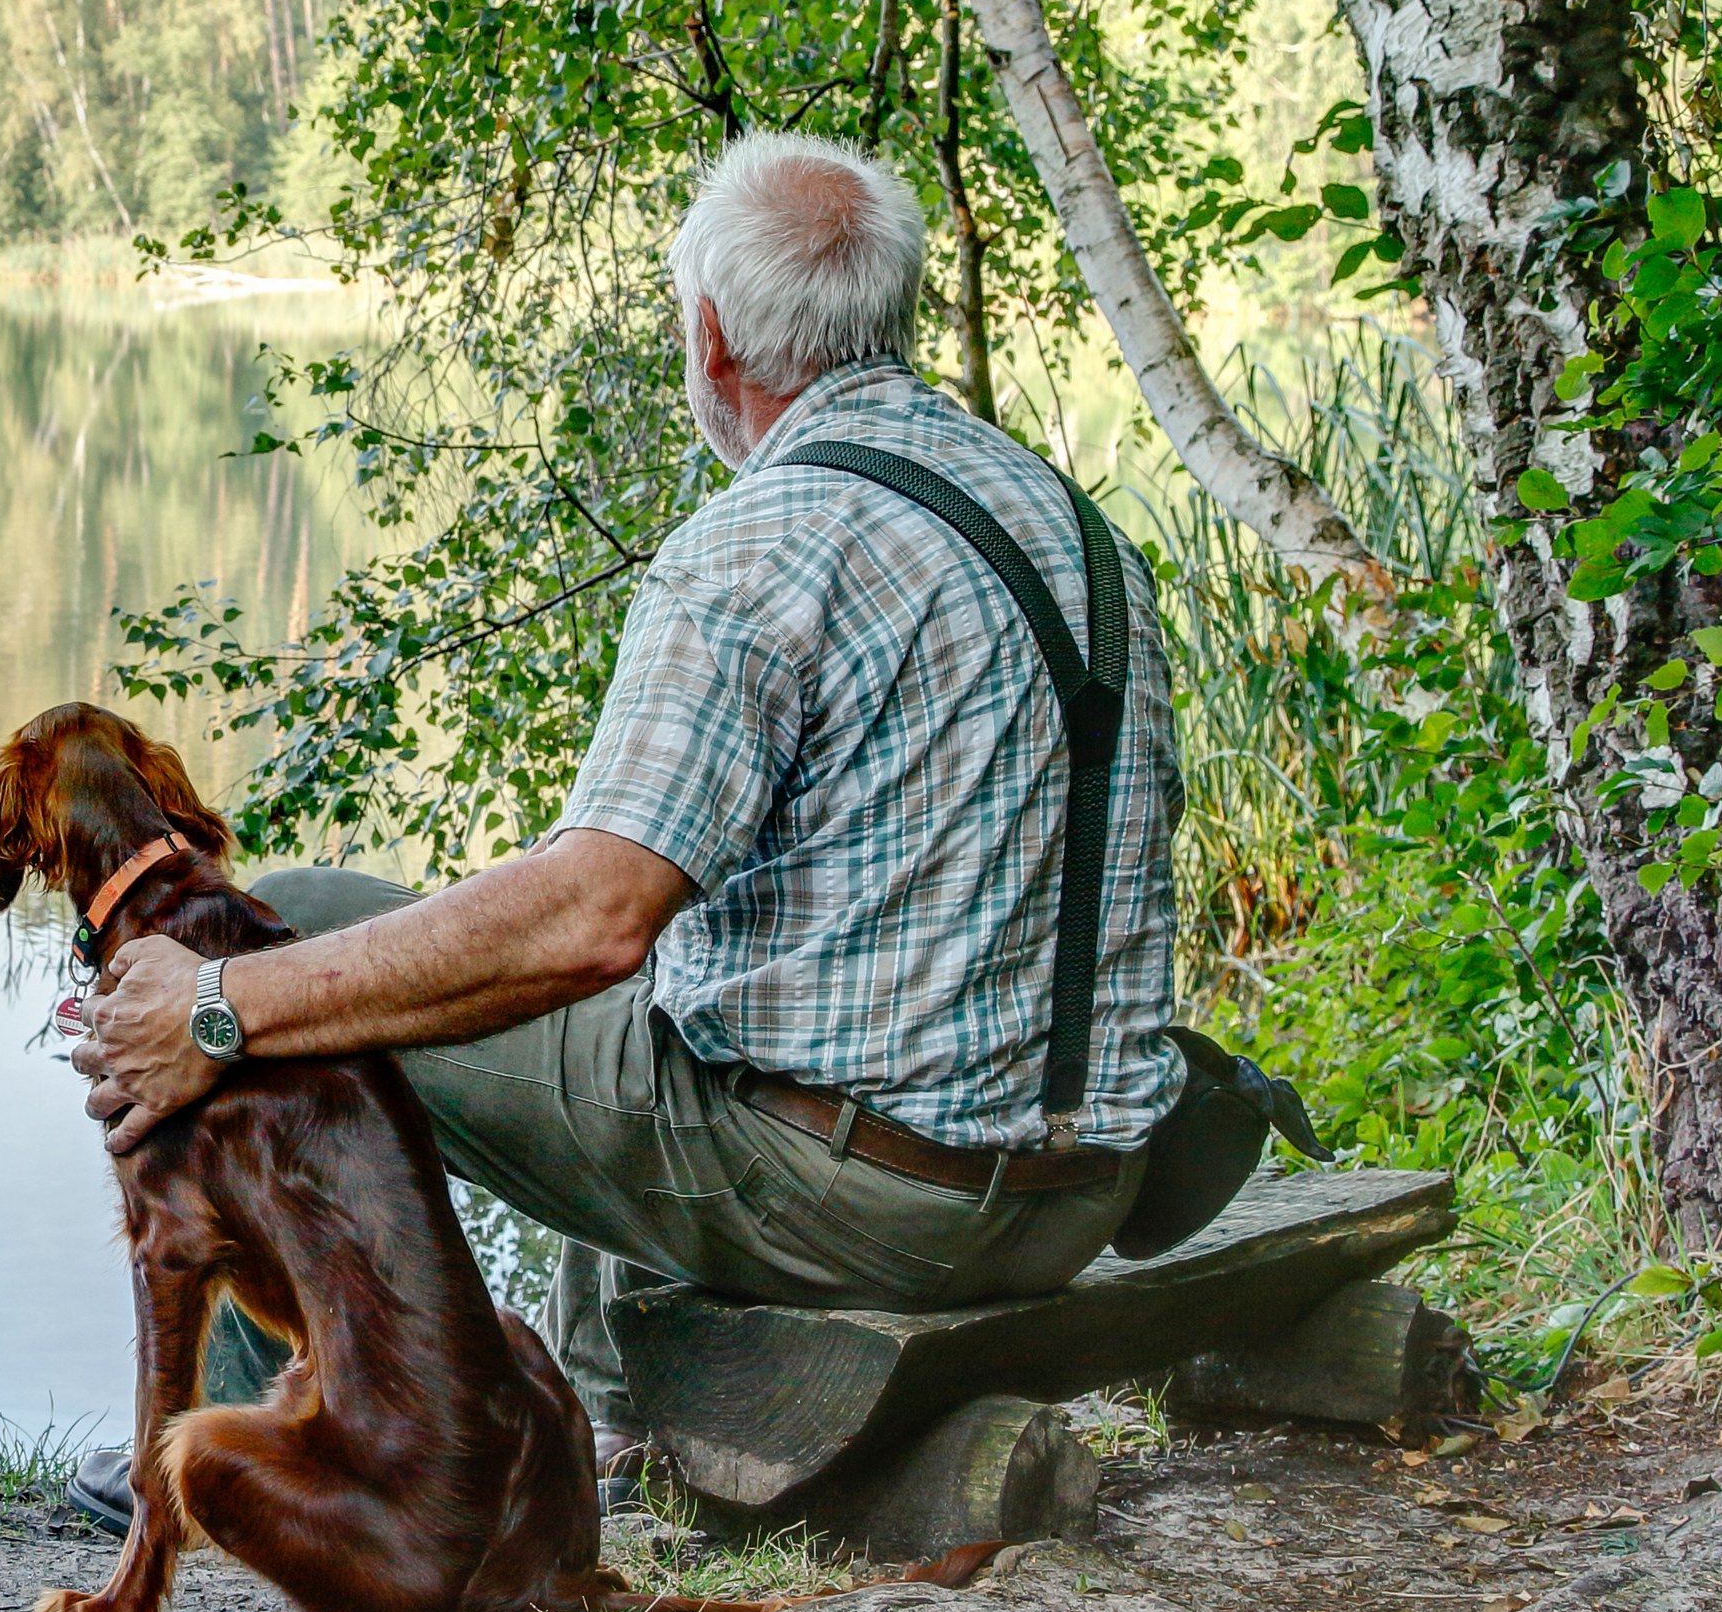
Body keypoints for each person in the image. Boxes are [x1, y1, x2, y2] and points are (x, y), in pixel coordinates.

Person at [68, 128, 1185, 1507]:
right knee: (637, 982)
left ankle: (258, 1451)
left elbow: (593, 924)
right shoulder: (1076, 527)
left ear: (710, 339)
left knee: (281, 930)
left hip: (886, 1211)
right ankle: (603, 1422)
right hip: (1080, 1197)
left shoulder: (763, 542)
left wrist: (224, 1005)